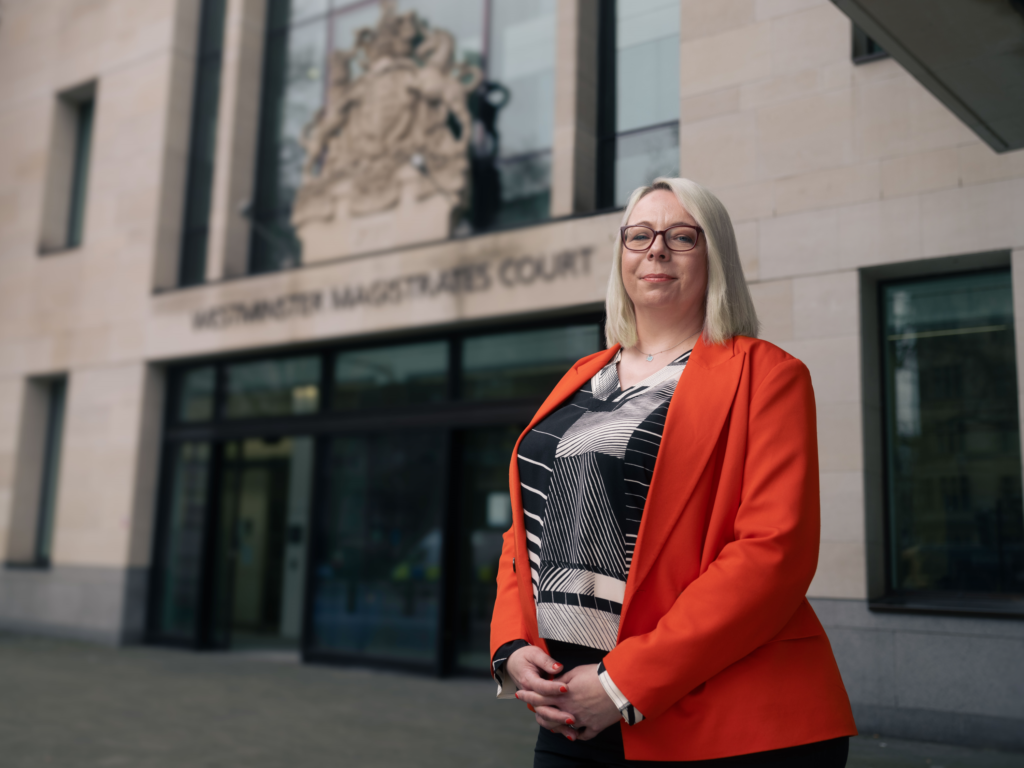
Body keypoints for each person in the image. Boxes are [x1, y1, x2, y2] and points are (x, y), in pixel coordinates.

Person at [489, 177, 857, 767]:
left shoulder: (769, 376)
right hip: (569, 708)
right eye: (639, 235)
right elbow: (524, 532)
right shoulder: (583, 376)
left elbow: (771, 553)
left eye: (681, 236)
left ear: (715, 257)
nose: (655, 249)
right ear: (622, 254)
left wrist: (620, 684)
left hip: (726, 718)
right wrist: (510, 645)